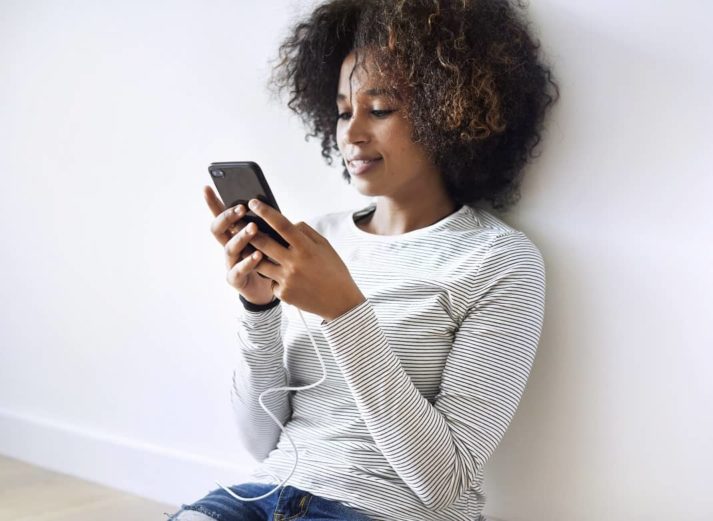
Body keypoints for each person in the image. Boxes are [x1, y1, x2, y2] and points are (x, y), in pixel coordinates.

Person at [168, 0, 557, 519]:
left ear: (451, 111)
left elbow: (445, 482)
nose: (351, 134)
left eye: (379, 110)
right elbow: (261, 444)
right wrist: (258, 310)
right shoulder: (316, 238)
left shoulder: (499, 261)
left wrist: (345, 312)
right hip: (265, 495)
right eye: (343, 111)